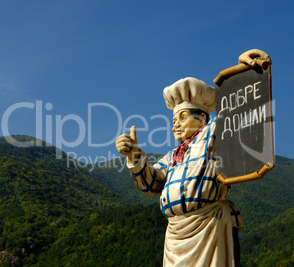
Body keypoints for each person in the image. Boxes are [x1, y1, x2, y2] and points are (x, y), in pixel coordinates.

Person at [115, 49, 271, 266]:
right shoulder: (171, 157)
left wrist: (244, 73)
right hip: (175, 233)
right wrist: (134, 155)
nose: (176, 124)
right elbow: (152, 183)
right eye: (173, 120)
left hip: (208, 224)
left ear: (203, 119)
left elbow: (239, 113)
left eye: (184, 116)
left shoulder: (213, 135)